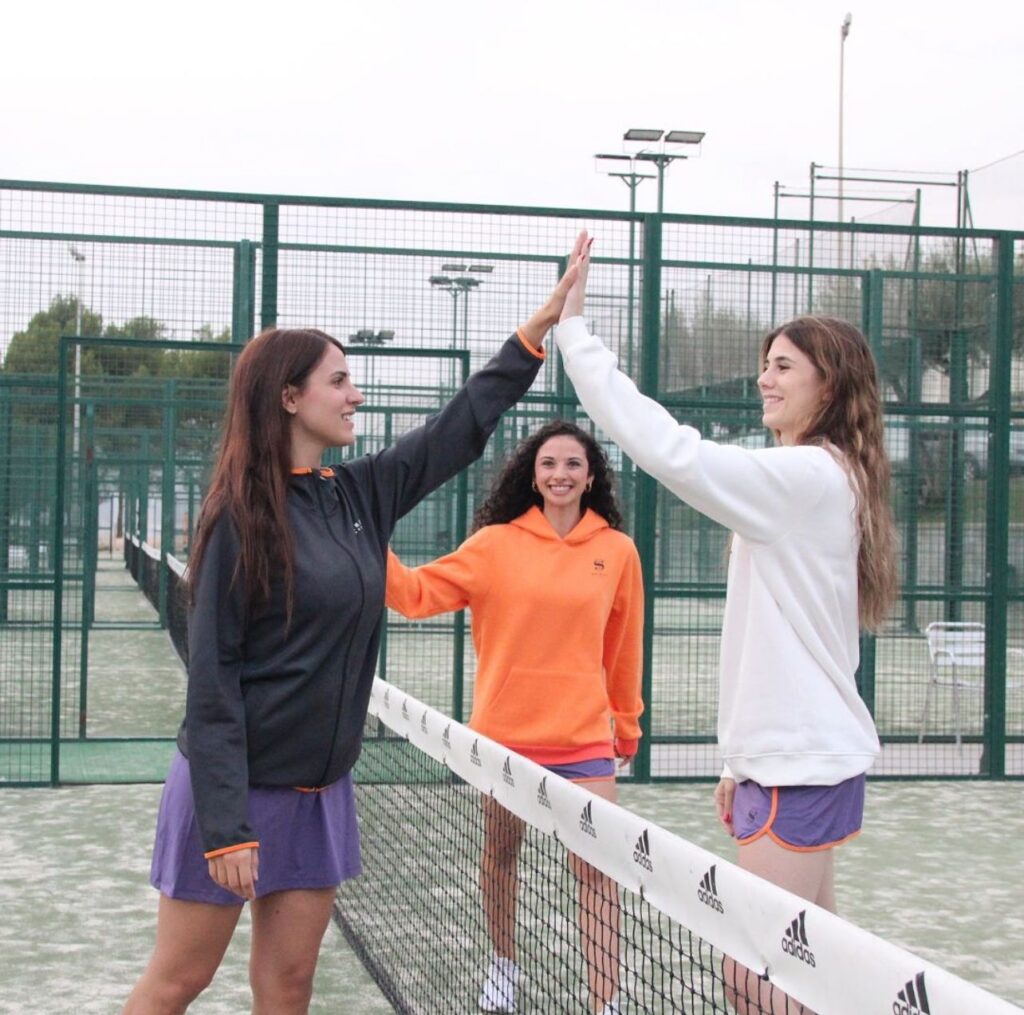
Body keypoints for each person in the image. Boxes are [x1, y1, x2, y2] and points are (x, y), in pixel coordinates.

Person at [121, 238, 588, 1015]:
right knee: (180, 979)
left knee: (289, 982)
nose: (355, 394)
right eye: (339, 380)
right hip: (232, 790)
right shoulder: (235, 519)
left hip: (321, 789)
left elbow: (459, 427)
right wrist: (229, 825)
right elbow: (213, 681)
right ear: (289, 397)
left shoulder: (357, 493)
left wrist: (537, 327)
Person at [553, 235, 897, 1015]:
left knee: (753, 978)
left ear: (828, 384)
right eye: (766, 362)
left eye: (783, 366)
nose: (763, 378)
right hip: (796, 762)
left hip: (801, 769)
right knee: (815, 972)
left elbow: (670, 451)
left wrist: (576, 334)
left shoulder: (805, 476)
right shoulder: (823, 476)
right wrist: (744, 757)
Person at [385, 419, 643, 1015]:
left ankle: (606, 998)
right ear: (532, 474)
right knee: (500, 858)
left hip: (584, 743)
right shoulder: (494, 545)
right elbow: (414, 594)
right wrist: (365, 534)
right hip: (503, 745)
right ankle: (504, 966)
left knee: (599, 874)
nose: (560, 474)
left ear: (591, 476)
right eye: (549, 463)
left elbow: (623, 647)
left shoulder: (617, 552)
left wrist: (625, 723)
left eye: (573, 464)